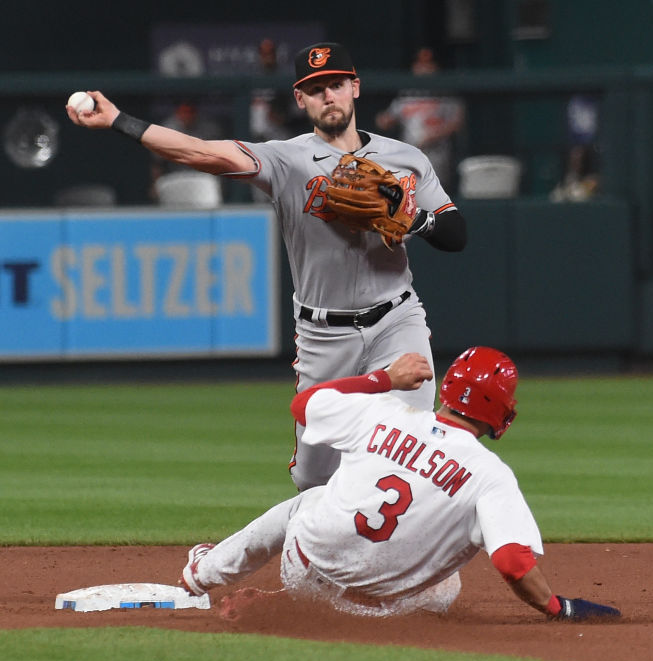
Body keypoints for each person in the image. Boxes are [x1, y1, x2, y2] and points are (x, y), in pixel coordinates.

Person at [66, 42, 467, 491]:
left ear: (354, 87)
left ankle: (416, 560)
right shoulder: (285, 158)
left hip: (397, 319)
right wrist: (120, 120)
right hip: (323, 334)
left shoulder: (405, 158)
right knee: (314, 479)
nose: (327, 96)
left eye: (336, 84)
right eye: (315, 89)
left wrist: (415, 219)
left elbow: (455, 234)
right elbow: (200, 152)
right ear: (300, 99)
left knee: (415, 449)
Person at [176, 347, 622, 621]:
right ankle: (325, 613)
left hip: (304, 566)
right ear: (501, 408)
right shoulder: (491, 476)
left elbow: (303, 404)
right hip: (379, 612)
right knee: (451, 577)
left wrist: (383, 380)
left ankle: (203, 573)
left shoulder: (385, 411)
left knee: (308, 502)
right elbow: (510, 561)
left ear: (448, 389)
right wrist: (557, 608)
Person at [375, 47, 465, 191]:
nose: (423, 68)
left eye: (428, 64)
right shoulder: (408, 94)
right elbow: (386, 120)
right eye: (420, 64)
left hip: (437, 155)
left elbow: (457, 122)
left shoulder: (446, 94)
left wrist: (435, 134)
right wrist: (384, 120)